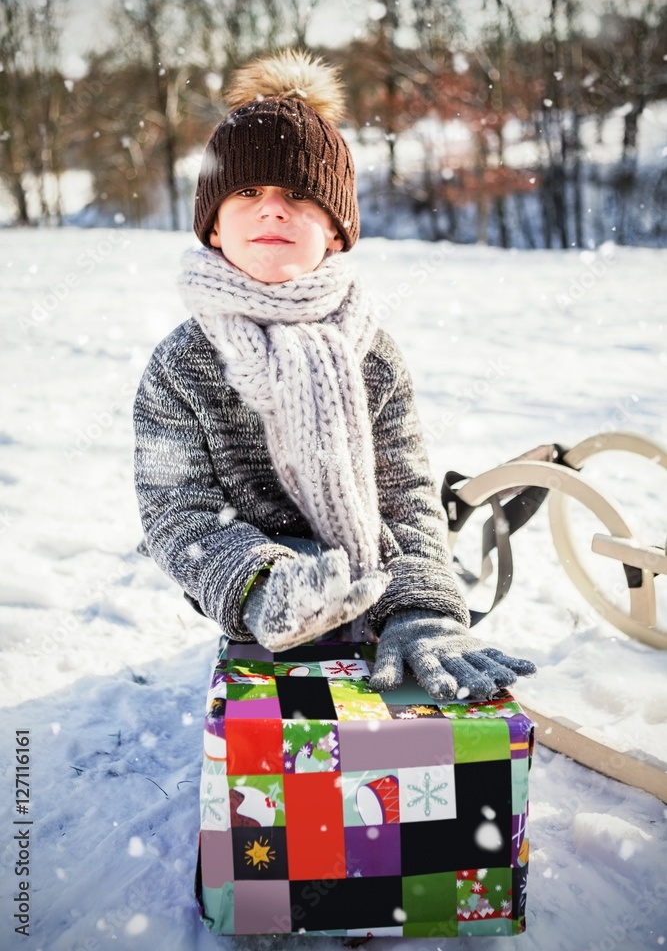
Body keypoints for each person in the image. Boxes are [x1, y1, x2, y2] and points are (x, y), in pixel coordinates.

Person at [133, 49, 536, 702]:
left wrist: (423, 610)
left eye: (297, 194)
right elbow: (177, 511)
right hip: (254, 590)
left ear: (337, 231)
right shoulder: (185, 362)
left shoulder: (371, 353)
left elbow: (403, 492)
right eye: (246, 193)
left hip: (376, 578)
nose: (272, 210)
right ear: (212, 227)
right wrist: (265, 586)